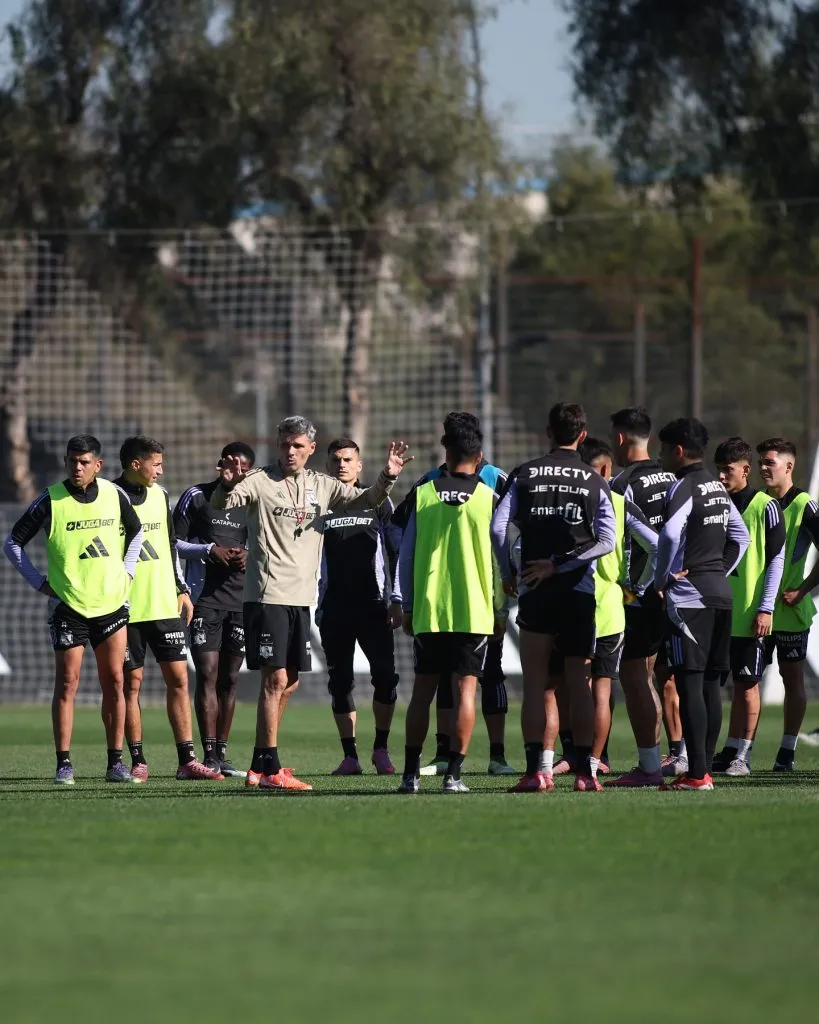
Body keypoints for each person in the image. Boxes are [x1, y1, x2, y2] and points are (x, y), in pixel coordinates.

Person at [212, 415, 412, 792]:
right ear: (277, 443)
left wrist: (388, 477)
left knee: (289, 682)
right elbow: (225, 502)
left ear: (310, 449)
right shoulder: (258, 480)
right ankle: (271, 766)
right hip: (269, 595)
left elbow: (367, 500)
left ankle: (259, 764)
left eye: (297, 445)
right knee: (275, 680)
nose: (290, 451)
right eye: (285, 444)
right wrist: (226, 486)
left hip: (301, 600)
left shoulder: (322, 486)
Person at [492, 402, 617, 793]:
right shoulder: (593, 480)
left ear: (548, 432)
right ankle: (585, 772)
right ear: (582, 435)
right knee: (579, 682)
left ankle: (537, 771)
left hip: (535, 590)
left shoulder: (525, 474)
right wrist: (562, 564)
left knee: (535, 683)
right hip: (578, 593)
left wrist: (510, 572)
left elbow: (498, 528)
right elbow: (607, 541)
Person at [3, 435, 143, 784]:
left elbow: (137, 533)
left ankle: (116, 762)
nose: (77, 468)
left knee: (114, 681)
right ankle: (64, 763)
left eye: (84, 462)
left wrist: (127, 572)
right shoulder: (51, 499)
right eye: (72, 461)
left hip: (111, 605)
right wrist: (39, 583)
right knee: (67, 683)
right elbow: (13, 543)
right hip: (69, 607)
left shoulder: (114, 494)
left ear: (98, 465)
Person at [392, 411, 516, 777]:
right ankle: (454, 775)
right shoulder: (489, 497)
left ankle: (410, 775)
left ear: (445, 449)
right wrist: (501, 608)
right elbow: (499, 557)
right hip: (474, 610)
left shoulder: (424, 493)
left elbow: (406, 552)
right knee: (466, 693)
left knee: (422, 693)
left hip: (431, 609)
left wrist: (406, 602)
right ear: (479, 454)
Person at [115, 436, 222, 782]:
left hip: (164, 603)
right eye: (155, 464)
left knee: (178, 680)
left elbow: (170, 546)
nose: (161, 470)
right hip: (126, 607)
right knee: (131, 686)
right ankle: (138, 760)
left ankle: (187, 761)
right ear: (136, 464)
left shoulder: (161, 496)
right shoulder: (108, 498)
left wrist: (181, 589)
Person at [655, 418, 749, 792]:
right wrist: (718, 570)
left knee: (690, 683)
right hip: (719, 594)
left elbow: (669, 533)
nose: (662, 457)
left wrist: (663, 578)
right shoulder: (716, 485)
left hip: (690, 597)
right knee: (711, 683)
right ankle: (703, 770)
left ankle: (697, 775)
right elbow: (740, 537)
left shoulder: (685, 485)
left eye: (664, 450)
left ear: (678, 451)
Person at [318, 437, 402, 776]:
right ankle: (349, 755)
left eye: (348, 459)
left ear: (359, 465)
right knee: (340, 682)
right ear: (327, 465)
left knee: (385, 678)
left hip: (373, 606)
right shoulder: (319, 506)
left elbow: (395, 552)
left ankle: (380, 749)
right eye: (336, 459)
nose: (342, 464)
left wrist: (396, 598)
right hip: (334, 607)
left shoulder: (378, 502)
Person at [608, 406, 683, 778]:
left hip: (641, 596)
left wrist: (638, 585)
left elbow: (638, 543)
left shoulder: (622, 485)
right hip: (679, 592)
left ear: (620, 439)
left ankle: (649, 766)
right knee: (660, 677)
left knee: (635, 677)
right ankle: (680, 757)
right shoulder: (674, 478)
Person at [174, 442, 256, 777]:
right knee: (207, 674)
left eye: (244, 468)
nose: (237, 472)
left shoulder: (254, 503)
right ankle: (207, 754)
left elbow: (268, 542)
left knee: (231, 678)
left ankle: (222, 754)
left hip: (241, 601)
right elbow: (173, 543)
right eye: (231, 465)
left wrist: (250, 554)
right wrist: (209, 550)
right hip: (204, 600)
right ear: (220, 463)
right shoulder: (195, 497)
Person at [708, 438, 785, 776]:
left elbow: (776, 561)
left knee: (748, 684)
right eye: (719, 470)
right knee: (722, 686)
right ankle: (728, 748)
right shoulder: (714, 505)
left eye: (729, 470)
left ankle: (744, 755)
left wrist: (766, 607)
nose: (723, 477)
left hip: (750, 614)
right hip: (718, 612)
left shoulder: (764, 506)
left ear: (745, 470)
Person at [757, 437, 819, 770]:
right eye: (760, 463)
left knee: (791, 677)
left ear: (789, 466)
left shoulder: (804, 505)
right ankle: (741, 750)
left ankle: (787, 751)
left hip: (791, 611)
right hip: (756, 610)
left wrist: (804, 589)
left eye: (770, 462)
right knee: (747, 679)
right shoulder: (760, 503)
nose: (763, 468)